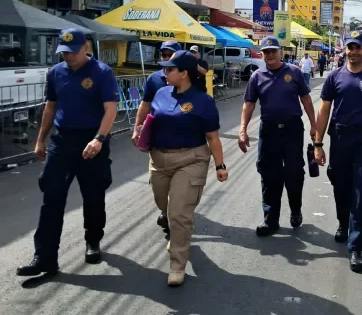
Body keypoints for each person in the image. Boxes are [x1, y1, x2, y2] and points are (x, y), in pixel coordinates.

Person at [17, 28, 118, 277]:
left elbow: (111, 109)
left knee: (93, 196)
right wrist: (40, 139)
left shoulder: (102, 73)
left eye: (73, 52)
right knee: (51, 196)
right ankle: (44, 257)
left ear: (85, 48)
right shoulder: (55, 73)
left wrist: (99, 139)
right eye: (64, 52)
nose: (68, 57)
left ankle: (93, 240)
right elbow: (51, 107)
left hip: (92, 142)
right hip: (61, 142)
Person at [135, 50, 228, 286]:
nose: (164, 72)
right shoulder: (161, 92)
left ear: (184, 74)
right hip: (159, 159)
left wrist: (220, 165)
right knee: (163, 205)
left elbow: (213, 137)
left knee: (179, 213)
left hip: (191, 159)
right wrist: (139, 131)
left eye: (169, 69)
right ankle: (176, 229)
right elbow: (150, 117)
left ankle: (177, 265)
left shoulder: (203, 101)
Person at [314, 31, 362, 273]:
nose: (354, 51)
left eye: (358, 47)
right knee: (340, 184)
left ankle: (356, 247)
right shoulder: (334, 76)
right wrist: (318, 144)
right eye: (350, 47)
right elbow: (324, 110)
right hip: (339, 138)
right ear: (345, 49)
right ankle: (342, 223)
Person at [238, 36, 317, 236]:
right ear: (262, 54)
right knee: (268, 175)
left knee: (294, 173)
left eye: (274, 51)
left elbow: (306, 99)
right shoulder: (257, 76)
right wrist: (242, 130)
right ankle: (270, 220)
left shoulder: (295, 72)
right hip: (269, 131)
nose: (270, 55)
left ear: (280, 52)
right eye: (266, 52)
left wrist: (314, 125)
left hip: (292, 130)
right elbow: (249, 104)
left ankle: (295, 209)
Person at [132, 40, 181, 240]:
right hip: (157, 139)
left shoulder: (190, 76)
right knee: (159, 183)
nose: (166, 58)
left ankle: (173, 220)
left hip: (182, 140)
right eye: (164, 55)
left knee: (179, 184)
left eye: (171, 55)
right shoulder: (154, 79)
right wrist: (137, 128)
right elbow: (145, 105)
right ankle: (166, 210)